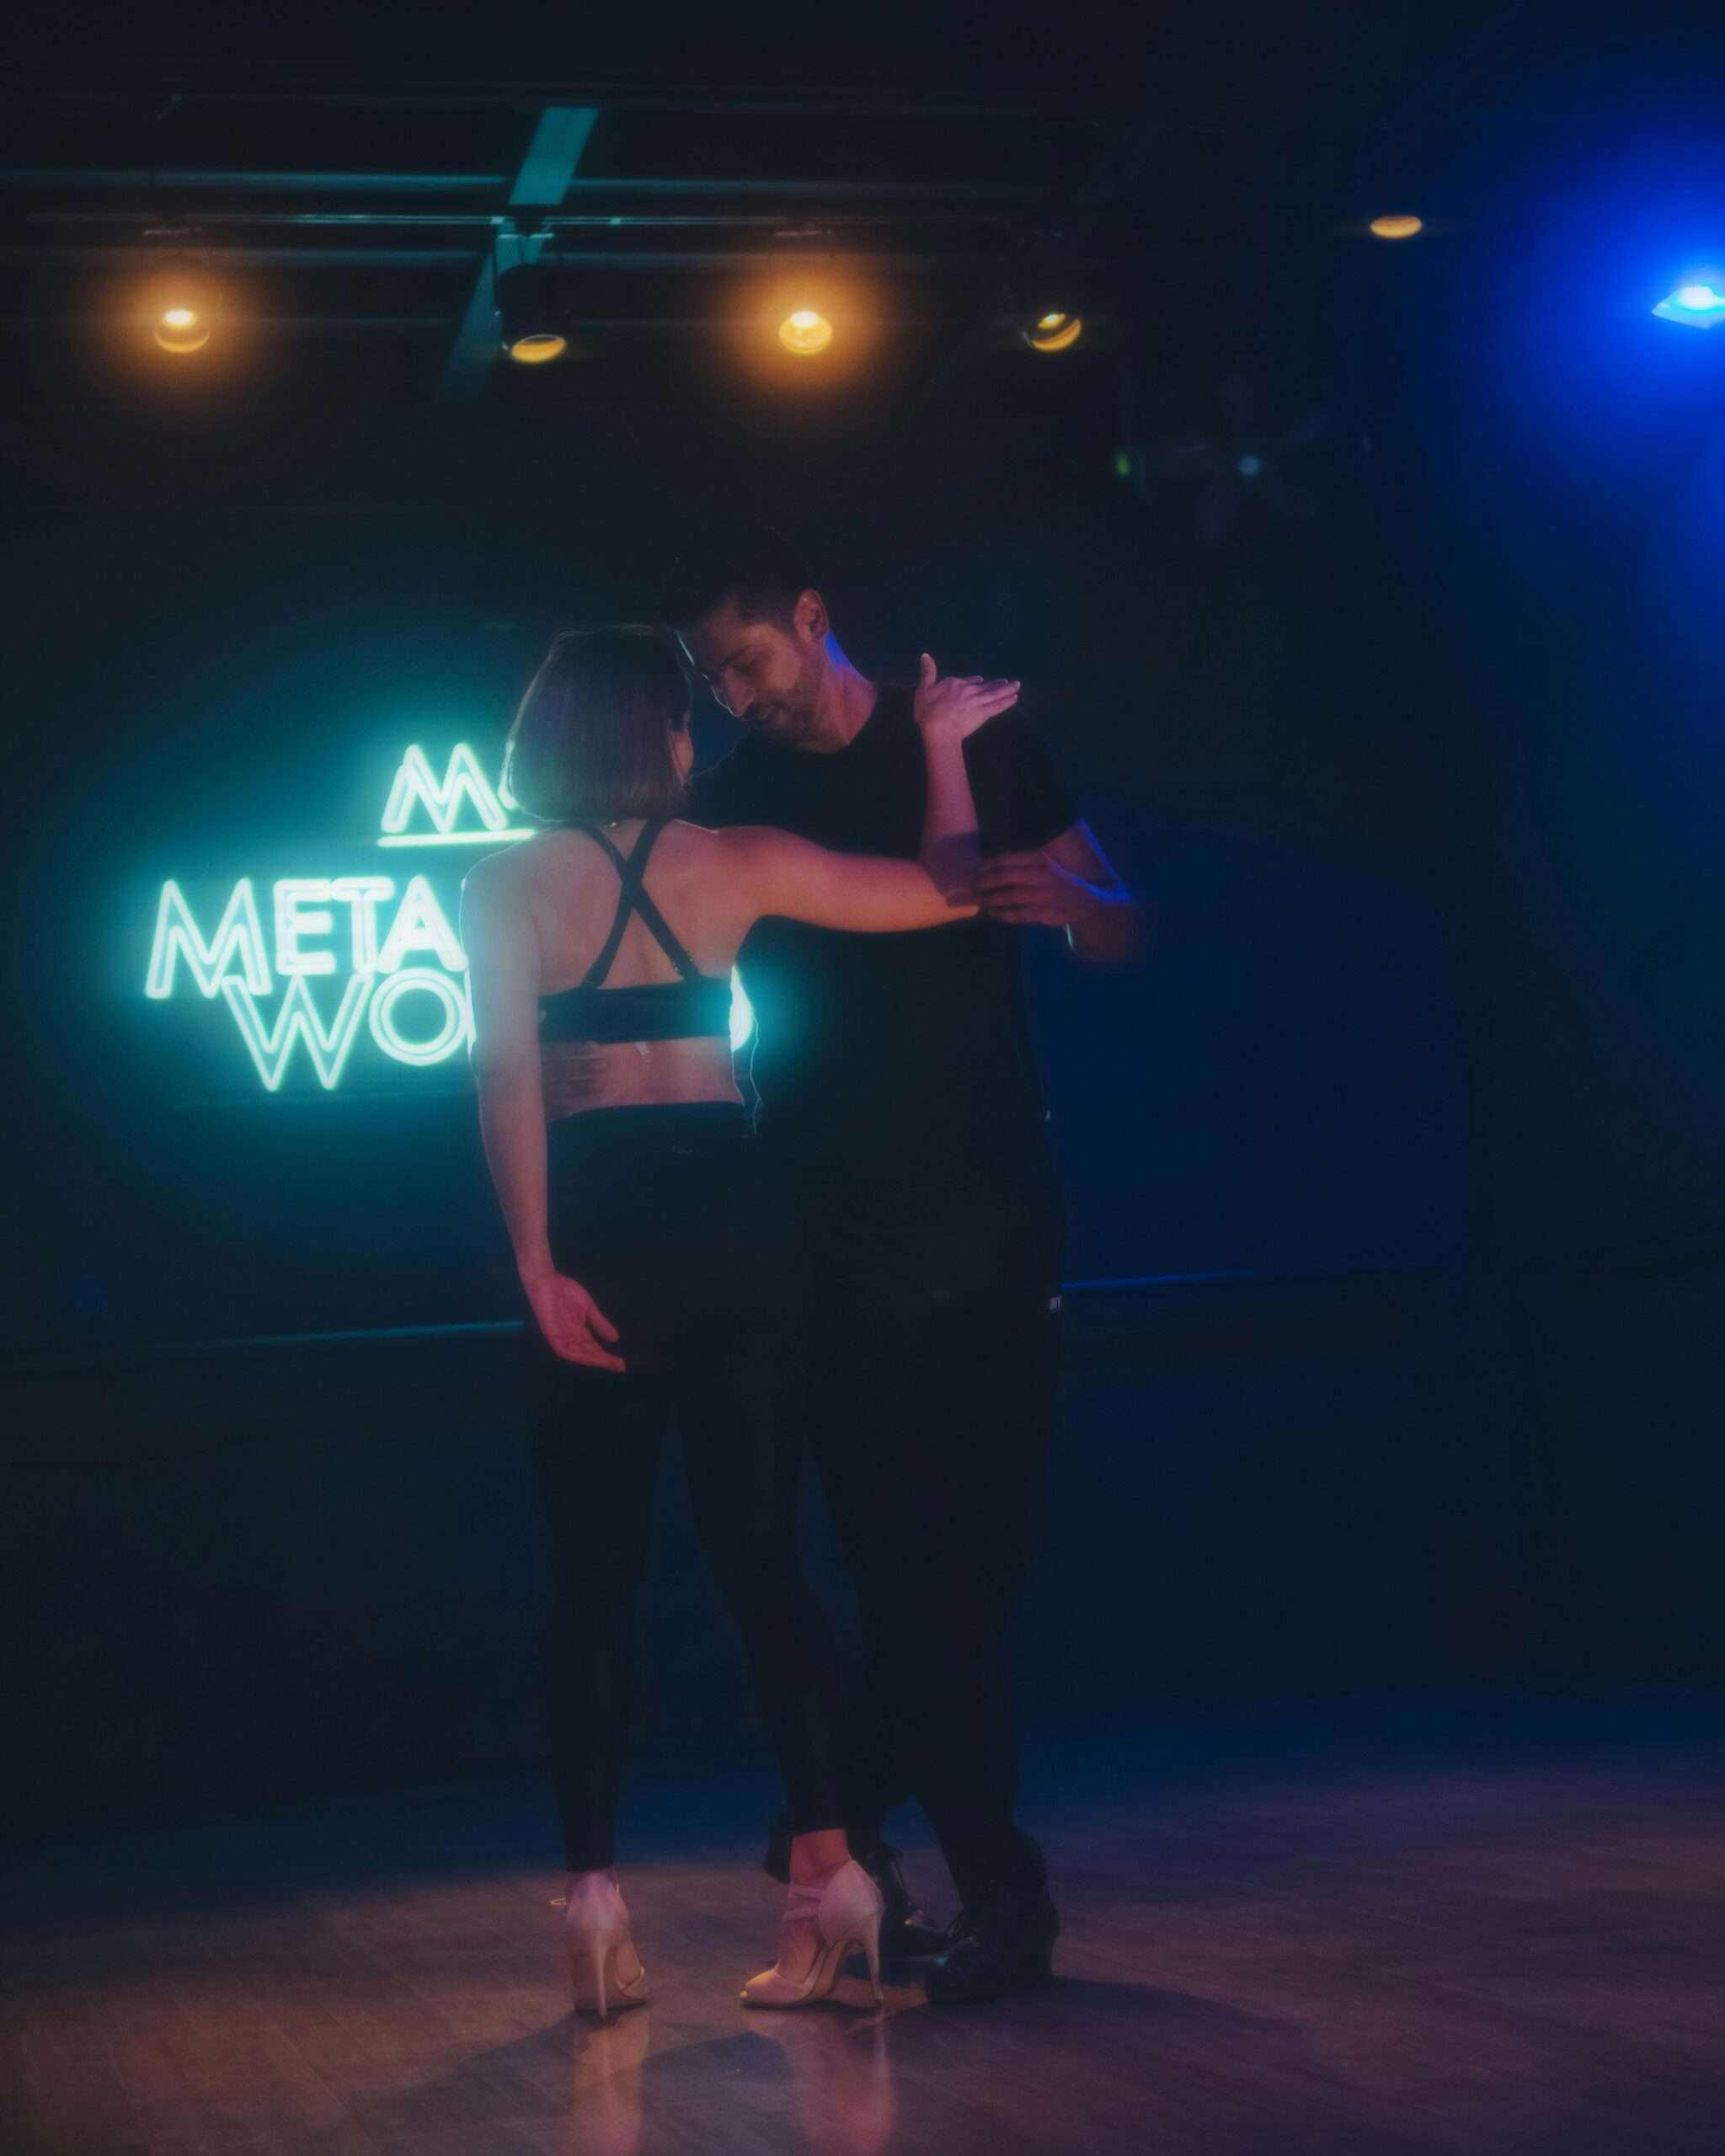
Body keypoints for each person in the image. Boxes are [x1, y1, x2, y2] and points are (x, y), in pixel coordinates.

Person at [546, 525, 1141, 2004]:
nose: (733, 696)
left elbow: (1120, 924)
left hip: (1003, 1213)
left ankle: (840, 1817)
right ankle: (1000, 1889)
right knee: (911, 1567)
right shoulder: (735, 806)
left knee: (982, 1566)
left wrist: (1078, 913)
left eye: (745, 662)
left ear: (811, 618)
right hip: (824, 1228)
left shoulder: (988, 748)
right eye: (710, 680)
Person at [461, 622, 1021, 2015]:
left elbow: (506, 1077)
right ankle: (830, 1887)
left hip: (604, 1231)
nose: (695, 735)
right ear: (654, 739)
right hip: (740, 1226)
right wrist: (944, 752)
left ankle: (593, 1907)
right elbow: (956, 892)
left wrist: (535, 1260)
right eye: (678, 718)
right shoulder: (737, 859)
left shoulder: (502, 882)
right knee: (766, 1565)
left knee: (594, 1586)